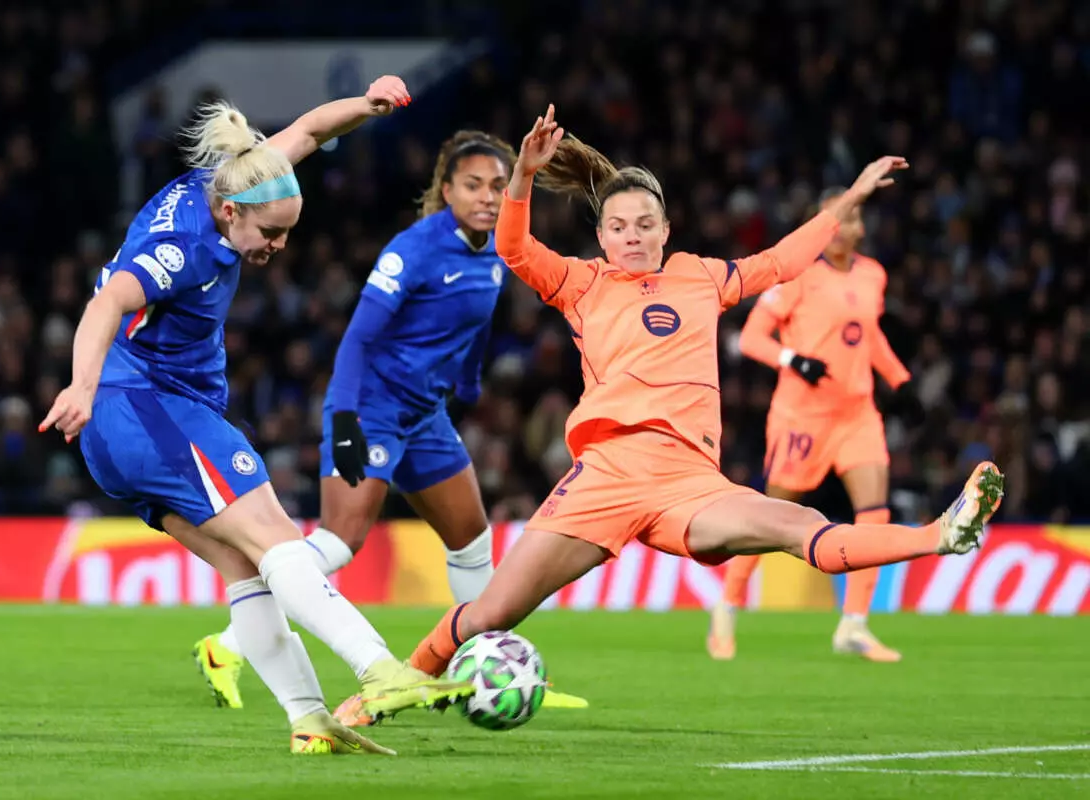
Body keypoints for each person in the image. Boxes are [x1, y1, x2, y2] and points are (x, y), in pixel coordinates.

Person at [391, 105, 1003, 693]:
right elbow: (515, 249)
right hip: (606, 474)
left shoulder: (702, 276)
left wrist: (852, 198)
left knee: (804, 526)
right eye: (618, 227)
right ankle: (390, 689)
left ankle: (942, 535)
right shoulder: (582, 283)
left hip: (689, 484)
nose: (631, 237)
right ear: (601, 235)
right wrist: (523, 175)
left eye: (644, 224)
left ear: (666, 229)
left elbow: (783, 260)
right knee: (491, 612)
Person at [39, 77, 473, 756]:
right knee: (278, 539)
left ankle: (309, 720)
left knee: (248, 569)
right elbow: (106, 304)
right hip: (147, 407)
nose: (277, 247)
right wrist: (81, 386)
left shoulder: (240, 180)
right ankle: (380, 669)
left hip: (130, 424)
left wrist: (368, 105)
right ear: (231, 214)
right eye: (269, 233)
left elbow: (307, 131)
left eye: (287, 232)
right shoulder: (183, 249)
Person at [191, 130, 587, 715]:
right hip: (371, 408)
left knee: (472, 542)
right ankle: (227, 646)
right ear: (446, 188)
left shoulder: (499, 251)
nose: (486, 196)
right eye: (473, 185)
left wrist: (472, 383)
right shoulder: (414, 250)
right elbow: (357, 337)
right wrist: (346, 416)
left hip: (425, 414)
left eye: (498, 186)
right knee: (340, 540)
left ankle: (492, 672)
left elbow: (473, 330)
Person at [706, 188, 926, 663]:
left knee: (874, 509)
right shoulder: (798, 274)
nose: (855, 228)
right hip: (802, 416)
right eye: (846, 219)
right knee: (771, 517)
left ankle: (854, 624)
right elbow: (750, 338)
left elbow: (868, 337)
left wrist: (900, 381)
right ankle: (727, 605)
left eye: (858, 219)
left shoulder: (872, 274)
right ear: (825, 223)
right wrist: (794, 360)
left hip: (856, 413)